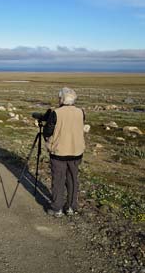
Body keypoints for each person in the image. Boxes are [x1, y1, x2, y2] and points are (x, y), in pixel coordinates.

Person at [44, 87, 85, 217]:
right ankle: (72, 207)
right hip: (76, 152)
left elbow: (47, 132)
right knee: (73, 180)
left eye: (59, 98)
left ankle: (57, 208)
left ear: (61, 99)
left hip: (59, 153)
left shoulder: (56, 113)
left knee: (58, 180)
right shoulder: (81, 112)